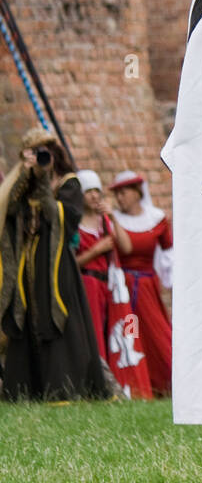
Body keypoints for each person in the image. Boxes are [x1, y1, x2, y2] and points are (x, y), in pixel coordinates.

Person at [0, 128, 111, 401]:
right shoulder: (25, 184)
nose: (40, 157)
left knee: (56, 318)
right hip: (28, 263)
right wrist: (26, 175)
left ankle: (64, 386)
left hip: (57, 266)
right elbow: (10, 212)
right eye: (34, 152)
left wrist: (43, 183)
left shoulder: (69, 183)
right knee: (26, 316)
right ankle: (28, 388)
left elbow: (62, 217)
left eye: (43, 151)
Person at [109, 172, 173, 397]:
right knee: (130, 330)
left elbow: (168, 253)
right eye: (116, 193)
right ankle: (137, 384)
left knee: (156, 333)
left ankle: (166, 382)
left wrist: (171, 282)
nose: (120, 198)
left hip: (146, 287)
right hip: (122, 288)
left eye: (123, 192)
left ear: (137, 192)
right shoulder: (113, 220)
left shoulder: (156, 220)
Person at [75, 170, 132, 361]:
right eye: (88, 191)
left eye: (96, 191)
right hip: (88, 283)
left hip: (109, 284)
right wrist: (95, 251)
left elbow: (127, 247)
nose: (94, 195)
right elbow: (70, 264)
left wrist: (113, 218)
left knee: (113, 329)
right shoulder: (75, 225)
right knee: (94, 331)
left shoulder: (105, 221)